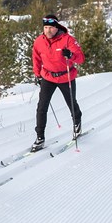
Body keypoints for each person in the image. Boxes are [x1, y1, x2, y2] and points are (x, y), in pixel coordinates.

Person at [31, 14, 84, 150]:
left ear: (57, 28)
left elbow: (80, 58)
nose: (48, 30)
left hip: (66, 77)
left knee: (71, 104)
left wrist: (71, 55)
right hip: (48, 77)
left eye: (51, 28)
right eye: (46, 27)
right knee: (42, 107)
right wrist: (37, 74)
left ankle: (77, 124)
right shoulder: (39, 41)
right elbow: (36, 58)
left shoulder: (67, 40)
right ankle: (40, 137)